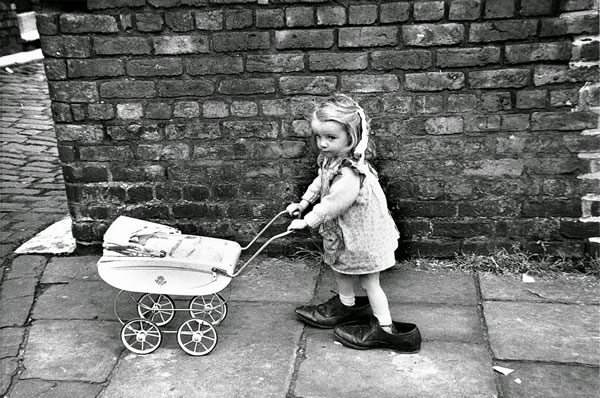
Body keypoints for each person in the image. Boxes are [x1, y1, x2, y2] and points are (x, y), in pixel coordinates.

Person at [286, 94, 421, 353]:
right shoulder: (332, 161)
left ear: (352, 136)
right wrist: (303, 202)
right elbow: (320, 181)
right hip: (349, 234)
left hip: (365, 238)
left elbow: (335, 203)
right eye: (318, 137)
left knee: (370, 282)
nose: (322, 144)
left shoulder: (349, 173)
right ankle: (347, 305)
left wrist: (308, 220)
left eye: (330, 137)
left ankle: (387, 329)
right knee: (340, 267)